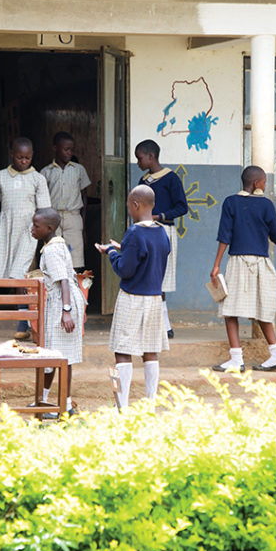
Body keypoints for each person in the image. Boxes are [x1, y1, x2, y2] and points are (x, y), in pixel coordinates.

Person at [95, 184, 170, 410]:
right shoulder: (161, 232)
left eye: (129, 205)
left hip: (132, 298)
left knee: (122, 351)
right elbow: (149, 256)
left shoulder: (135, 232)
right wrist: (123, 248)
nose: (129, 209)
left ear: (135, 204)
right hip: (155, 299)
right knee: (150, 351)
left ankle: (122, 407)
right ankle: (150, 404)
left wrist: (111, 252)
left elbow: (125, 269)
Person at [210, 165, 276, 372]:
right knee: (263, 310)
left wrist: (217, 264)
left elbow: (224, 236)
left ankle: (236, 359)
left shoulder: (230, 202)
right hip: (260, 263)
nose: (265, 185)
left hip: (237, 261)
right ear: (256, 184)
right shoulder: (266, 205)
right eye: (264, 182)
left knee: (230, 311)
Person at [0, 137, 52, 340]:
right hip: (5, 230)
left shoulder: (38, 179)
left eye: (27, 157)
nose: (23, 161)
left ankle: (22, 323)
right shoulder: (1, 177)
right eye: (20, 157)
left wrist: (45, 237)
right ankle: (17, 319)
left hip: (28, 232)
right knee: (6, 274)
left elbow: (44, 210)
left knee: (21, 274)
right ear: (12, 154)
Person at [30, 208, 86, 415]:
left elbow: (63, 279)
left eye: (36, 226)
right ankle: (46, 402)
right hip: (61, 301)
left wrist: (66, 311)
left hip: (63, 302)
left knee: (62, 356)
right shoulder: (53, 245)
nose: (32, 229)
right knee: (55, 354)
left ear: (49, 228)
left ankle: (66, 405)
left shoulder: (52, 250)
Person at [136, 139, 188, 339]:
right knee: (147, 276)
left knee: (161, 279)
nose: (138, 163)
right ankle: (153, 323)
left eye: (140, 158)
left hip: (163, 231)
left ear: (151, 156)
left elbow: (182, 207)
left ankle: (164, 325)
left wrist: (159, 217)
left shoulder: (171, 178)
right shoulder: (143, 181)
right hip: (144, 231)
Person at [41, 132, 91, 271]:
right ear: (55, 148)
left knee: (76, 257)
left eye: (72, 149)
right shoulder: (45, 172)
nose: (70, 152)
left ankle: (75, 288)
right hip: (52, 218)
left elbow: (84, 197)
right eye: (66, 149)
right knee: (53, 256)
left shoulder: (78, 170)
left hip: (73, 217)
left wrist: (83, 224)